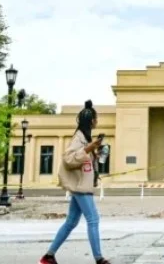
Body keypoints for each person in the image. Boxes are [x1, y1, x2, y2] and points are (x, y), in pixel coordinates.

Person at [39, 100, 111, 264]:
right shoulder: (78, 138)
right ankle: (99, 259)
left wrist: (95, 151)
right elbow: (69, 159)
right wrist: (89, 148)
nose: (97, 121)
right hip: (80, 186)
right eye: (96, 119)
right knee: (93, 219)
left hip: (81, 184)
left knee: (71, 222)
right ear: (91, 121)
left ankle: (48, 256)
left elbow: (84, 161)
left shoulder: (84, 138)